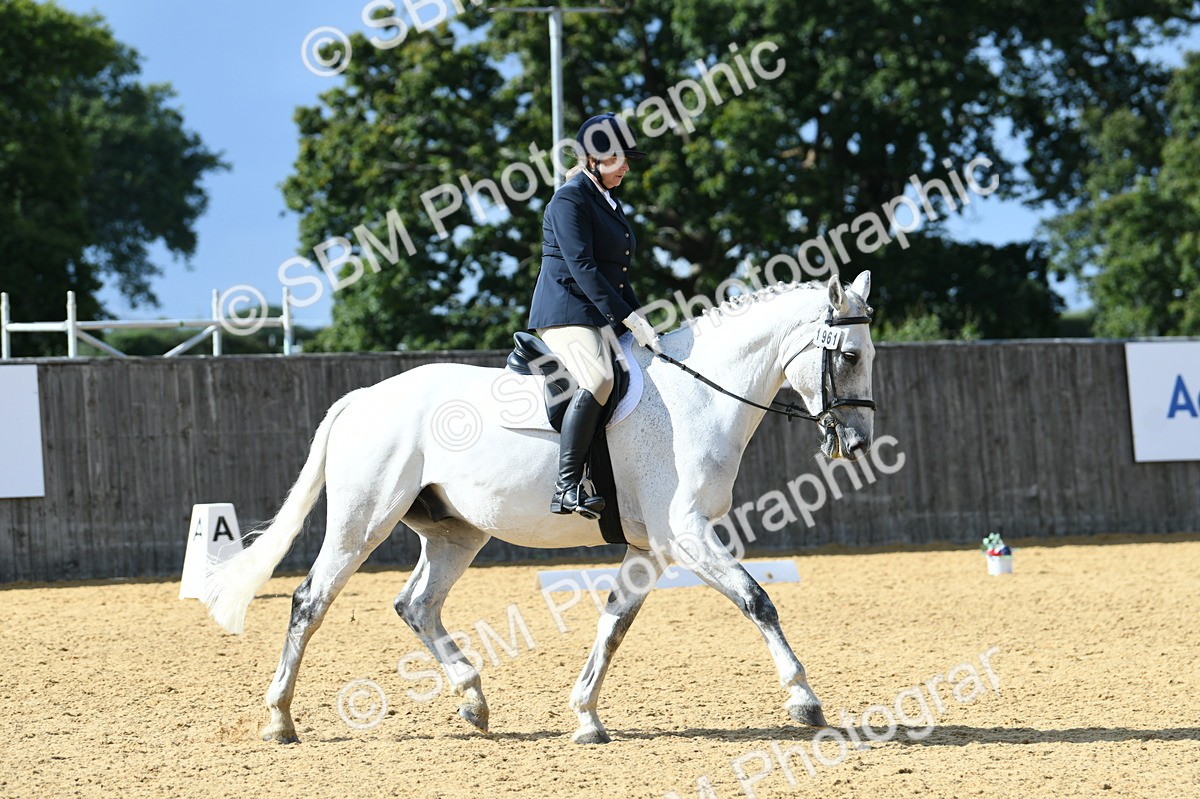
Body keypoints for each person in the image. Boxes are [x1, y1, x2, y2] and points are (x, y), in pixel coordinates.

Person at [527, 112, 660, 519]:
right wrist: (627, 318)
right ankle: (566, 486)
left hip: (597, 312)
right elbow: (583, 267)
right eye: (618, 159)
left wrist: (639, 318)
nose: (626, 167)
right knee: (600, 378)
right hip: (566, 311)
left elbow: (615, 274)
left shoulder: (607, 200)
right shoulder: (570, 199)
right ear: (591, 160)